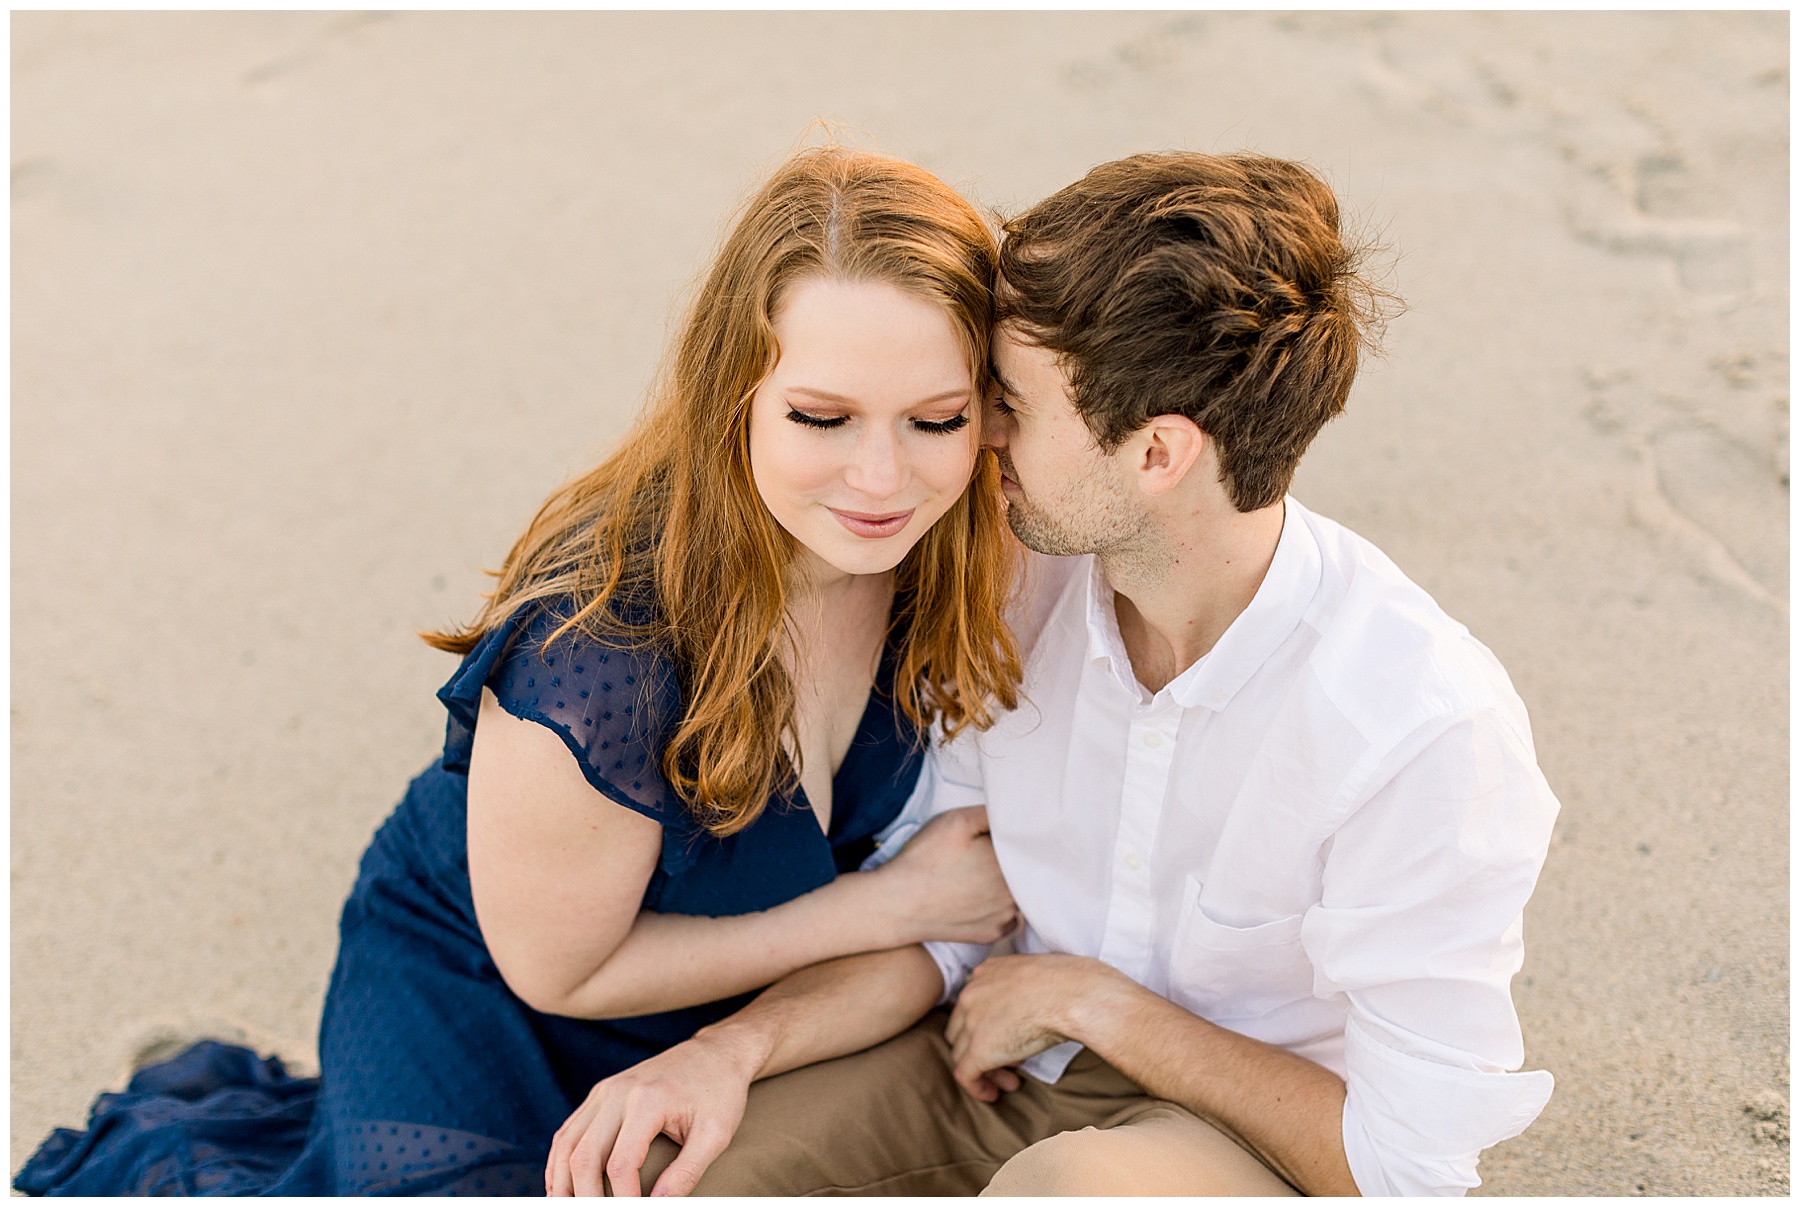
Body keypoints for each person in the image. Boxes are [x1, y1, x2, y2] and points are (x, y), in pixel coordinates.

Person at [13, 146, 1030, 1197]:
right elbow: (565, 968)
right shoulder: (594, 647)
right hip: (493, 985)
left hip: (754, 1003)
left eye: (935, 419)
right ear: (734, 395)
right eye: (822, 417)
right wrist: (890, 910)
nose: (882, 477)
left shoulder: (957, 549)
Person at [551, 151, 1561, 1197]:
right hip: (987, 1063)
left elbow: (1406, 1164)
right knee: (665, 1173)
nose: (978, 432)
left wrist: (1097, 1004)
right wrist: (735, 1049)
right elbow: (943, 925)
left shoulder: (1417, 727)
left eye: (1013, 405)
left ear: (1158, 455)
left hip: (1239, 1132)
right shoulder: (1015, 583)